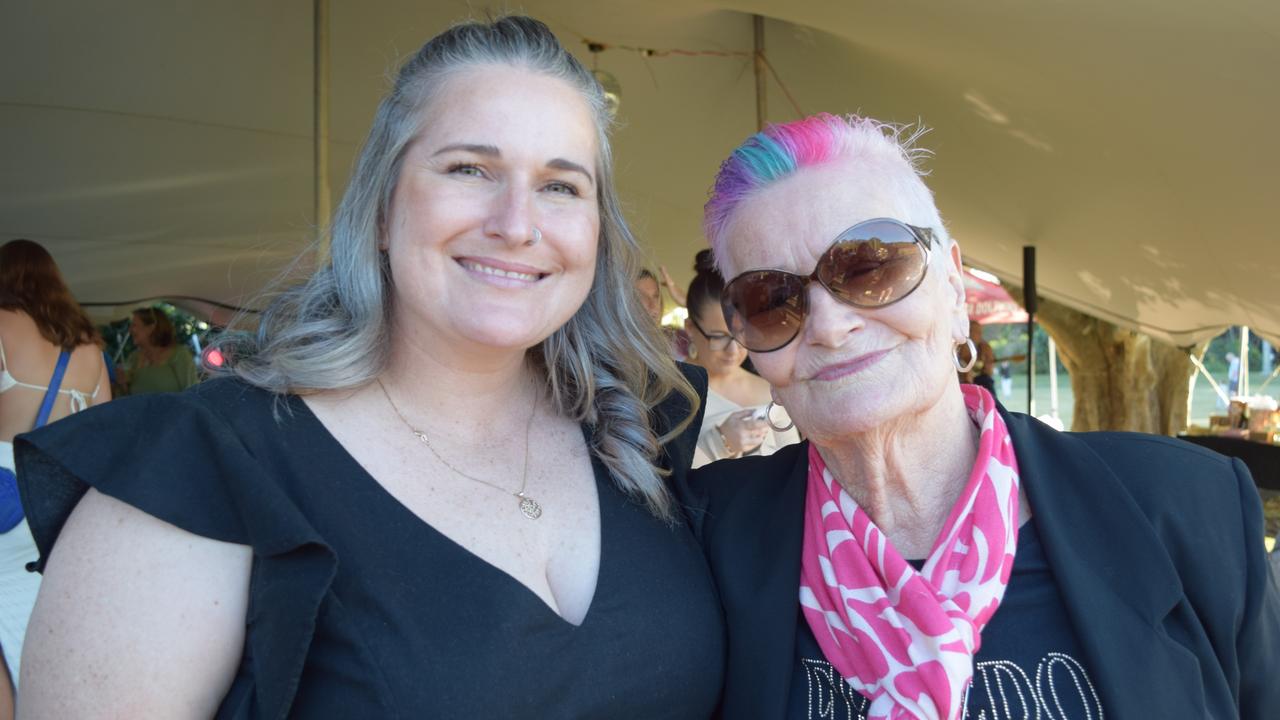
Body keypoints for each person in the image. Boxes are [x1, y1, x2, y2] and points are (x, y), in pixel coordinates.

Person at [15, 17, 723, 718]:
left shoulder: (648, 430)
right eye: (470, 169)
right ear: (382, 210)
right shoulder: (203, 467)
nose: (517, 223)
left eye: (562, 186)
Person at [684, 113, 1280, 719]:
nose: (831, 327)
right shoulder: (710, 532)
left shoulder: (1189, 507)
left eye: (868, 268)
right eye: (770, 301)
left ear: (953, 286)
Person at [0, 239, 111, 715]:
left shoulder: (3, 325)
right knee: (38, 608)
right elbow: (107, 428)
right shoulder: (88, 344)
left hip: (8, 489)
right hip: (68, 494)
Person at [684, 249, 799, 467]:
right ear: (690, 328)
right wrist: (720, 442)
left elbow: (796, 467)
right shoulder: (673, 392)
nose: (734, 350)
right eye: (718, 337)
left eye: (744, 334)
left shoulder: (771, 388)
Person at [119, 307, 199, 395]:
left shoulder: (179, 355)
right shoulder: (134, 357)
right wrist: (122, 384)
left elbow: (192, 394)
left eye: (134, 325)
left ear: (150, 328)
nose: (130, 330)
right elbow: (126, 398)